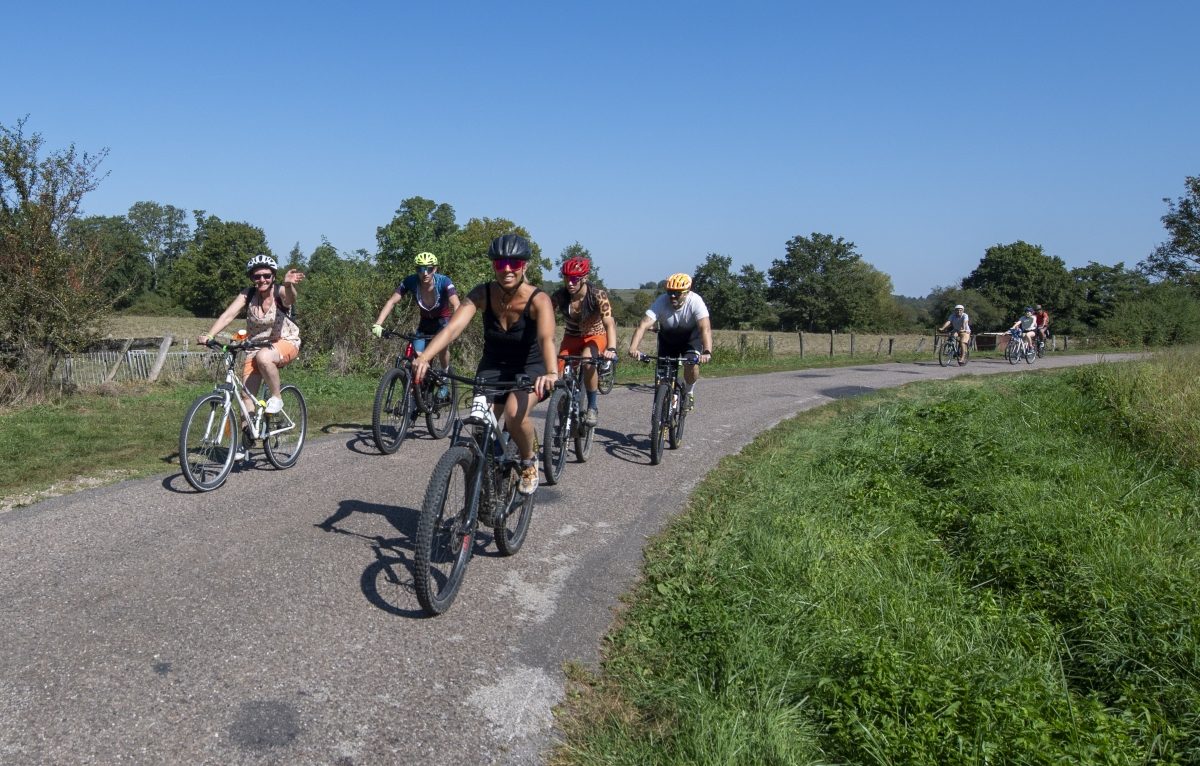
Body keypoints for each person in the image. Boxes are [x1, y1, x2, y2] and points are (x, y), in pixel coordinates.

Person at [412, 234, 557, 495]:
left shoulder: (538, 300)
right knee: (480, 423)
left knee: (514, 415)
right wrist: (425, 357)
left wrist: (551, 372)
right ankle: (485, 480)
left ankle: (528, 460)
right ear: (494, 266)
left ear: (525, 266)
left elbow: (547, 338)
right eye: (501, 263)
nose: (508, 269)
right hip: (492, 366)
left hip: (530, 368)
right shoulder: (482, 293)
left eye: (515, 263)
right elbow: (452, 328)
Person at [199, 255, 304, 453]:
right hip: (255, 346)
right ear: (252, 278)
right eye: (257, 277)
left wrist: (289, 285)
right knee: (246, 397)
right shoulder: (248, 294)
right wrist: (209, 335)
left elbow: (290, 299)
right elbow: (228, 315)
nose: (262, 280)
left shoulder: (280, 290)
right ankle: (246, 443)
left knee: (264, 357)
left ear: (273, 276)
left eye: (266, 275)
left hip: (286, 342)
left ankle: (276, 397)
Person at [626, 273, 713, 411]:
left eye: (677, 293)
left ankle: (689, 392)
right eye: (670, 292)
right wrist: (633, 348)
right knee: (662, 377)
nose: (672, 296)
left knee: (691, 364)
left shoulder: (696, 301)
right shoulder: (661, 301)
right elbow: (643, 325)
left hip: (690, 339)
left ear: (686, 292)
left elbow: (705, 328)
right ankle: (660, 413)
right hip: (668, 340)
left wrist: (707, 351)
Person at [549, 256, 617, 427]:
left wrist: (612, 348)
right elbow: (544, 316)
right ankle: (562, 417)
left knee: (588, 362)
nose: (569, 283)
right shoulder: (559, 296)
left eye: (574, 279)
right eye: (566, 278)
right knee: (557, 374)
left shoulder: (597, 295)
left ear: (584, 278)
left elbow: (609, 322)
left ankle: (592, 406)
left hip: (595, 336)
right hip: (571, 336)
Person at [371, 251, 460, 372]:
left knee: (442, 348)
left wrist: (455, 327)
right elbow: (392, 302)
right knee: (417, 355)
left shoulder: (444, 281)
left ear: (435, 269)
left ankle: (445, 374)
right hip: (425, 322)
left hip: (442, 321)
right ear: (416, 270)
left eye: (429, 269)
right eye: (420, 269)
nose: (425, 273)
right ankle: (418, 386)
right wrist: (378, 323)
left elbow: (456, 305)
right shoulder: (411, 281)